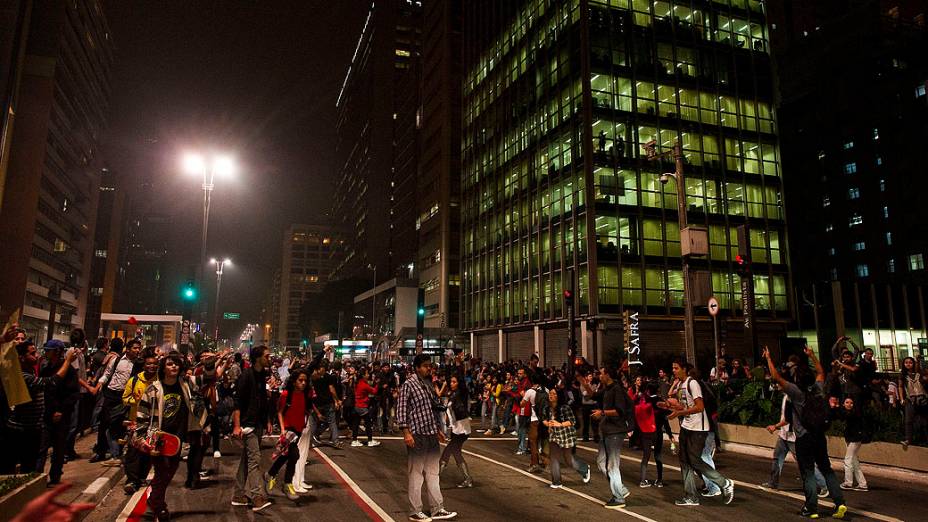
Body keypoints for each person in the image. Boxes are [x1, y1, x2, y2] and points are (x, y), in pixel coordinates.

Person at [763, 346, 847, 519]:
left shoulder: (796, 392)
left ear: (797, 379)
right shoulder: (818, 388)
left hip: (803, 437)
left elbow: (776, 377)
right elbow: (821, 371)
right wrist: (812, 356)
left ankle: (812, 508)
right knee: (827, 469)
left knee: (807, 472)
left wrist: (769, 358)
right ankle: (840, 504)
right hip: (819, 436)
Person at [133, 352, 199, 521]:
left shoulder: (186, 385)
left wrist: (202, 426)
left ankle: (156, 503)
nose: (174, 367)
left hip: (177, 438)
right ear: (163, 368)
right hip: (159, 437)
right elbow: (142, 413)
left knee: (171, 470)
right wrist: (140, 437)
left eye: (177, 364)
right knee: (162, 471)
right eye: (170, 364)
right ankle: (156, 506)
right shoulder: (153, 389)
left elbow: (207, 380)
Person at [661, 359, 734, 507]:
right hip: (687, 427)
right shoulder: (681, 385)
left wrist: (678, 413)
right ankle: (690, 496)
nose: (673, 371)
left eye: (676, 368)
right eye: (672, 368)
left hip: (698, 429)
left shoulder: (692, 383)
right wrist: (672, 408)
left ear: (684, 369)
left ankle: (724, 483)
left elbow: (699, 407)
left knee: (694, 460)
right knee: (684, 462)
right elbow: (685, 406)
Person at [0, 340, 74, 475]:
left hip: (32, 428)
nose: (38, 355)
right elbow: (51, 382)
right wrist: (68, 361)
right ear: (21, 358)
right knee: (14, 471)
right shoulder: (22, 375)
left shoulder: (32, 371)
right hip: (20, 430)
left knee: (30, 466)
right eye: (32, 353)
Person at [397, 354, 457, 521]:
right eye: (424, 366)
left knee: (433, 472)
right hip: (416, 434)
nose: (428, 368)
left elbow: (429, 409)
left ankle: (437, 508)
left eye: (429, 365)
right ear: (416, 367)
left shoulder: (427, 384)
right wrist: (406, 432)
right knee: (416, 474)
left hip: (430, 434)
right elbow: (401, 410)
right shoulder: (409, 384)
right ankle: (415, 510)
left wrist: (437, 429)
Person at [761, 385, 827, 496]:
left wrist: (774, 426)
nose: (777, 385)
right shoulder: (786, 397)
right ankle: (773, 483)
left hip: (794, 437)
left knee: (805, 462)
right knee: (777, 458)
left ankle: (824, 485)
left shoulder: (793, 398)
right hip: (784, 435)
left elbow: (788, 420)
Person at [231, 345, 272, 512]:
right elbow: (238, 403)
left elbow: (262, 401)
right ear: (258, 358)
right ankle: (256, 497)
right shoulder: (246, 376)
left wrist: (267, 420)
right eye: (267, 356)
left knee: (246, 461)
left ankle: (239, 495)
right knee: (255, 459)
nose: (269, 359)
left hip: (258, 423)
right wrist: (236, 426)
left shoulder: (262, 375)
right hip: (248, 425)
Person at [265, 369, 315, 501]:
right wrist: (282, 429)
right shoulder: (286, 394)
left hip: (298, 430)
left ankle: (270, 474)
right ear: (294, 381)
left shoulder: (306, 395)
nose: (303, 383)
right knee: (294, 455)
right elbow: (280, 412)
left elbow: (307, 409)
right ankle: (287, 484)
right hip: (288, 429)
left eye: (305, 380)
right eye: (300, 380)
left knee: (287, 455)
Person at [37, 340, 81, 485]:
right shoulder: (46, 368)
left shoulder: (69, 370)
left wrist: (61, 411)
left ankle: (55, 476)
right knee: (42, 448)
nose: (45, 353)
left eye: (48, 350)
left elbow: (73, 394)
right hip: (46, 414)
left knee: (59, 447)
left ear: (57, 351)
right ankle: (37, 477)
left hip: (62, 416)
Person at [591, 366, 634, 509]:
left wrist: (602, 413)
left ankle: (619, 498)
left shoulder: (616, 389)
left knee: (612, 466)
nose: (599, 376)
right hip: (607, 431)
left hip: (615, 432)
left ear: (608, 375)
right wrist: (582, 380)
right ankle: (621, 489)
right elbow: (592, 395)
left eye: (601, 374)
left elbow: (619, 411)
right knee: (601, 462)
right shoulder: (607, 389)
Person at [93, 338, 141, 463]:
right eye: (135, 348)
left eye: (138, 348)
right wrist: (98, 385)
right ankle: (101, 451)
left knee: (120, 425)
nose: (137, 350)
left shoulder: (138, 364)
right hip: (110, 394)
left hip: (124, 397)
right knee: (104, 423)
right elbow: (107, 373)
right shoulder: (117, 360)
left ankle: (117, 452)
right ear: (128, 349)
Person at [122, 349, 159, 494]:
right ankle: (132, 480)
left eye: (155, 364)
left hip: (153, 423)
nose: (152, 366)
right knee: (133, 451)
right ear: (144, 365)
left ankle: (142, 476)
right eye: (149, 364)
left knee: (148, 452)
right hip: (135, 420)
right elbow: (125, 398)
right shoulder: (135, 380)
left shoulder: (159, 381)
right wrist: (136, 401)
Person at [543, 387, 591, 488]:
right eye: (550, 393)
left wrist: (559, 424)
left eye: (554, 394)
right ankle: (556, 481)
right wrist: (547, 423)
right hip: (554, 436)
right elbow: (543, 418)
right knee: (554, 457)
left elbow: (572, 421)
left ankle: (584, 468)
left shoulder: (564, 407)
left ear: (559, 396)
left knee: (569, 460)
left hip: (566, 436)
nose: (551, 395)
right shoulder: (547, 408)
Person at [439, 354, 473, 488]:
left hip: (462, 429)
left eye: (454, 382)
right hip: (456, 429)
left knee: (447, 453)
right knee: (456, 452)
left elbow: (462, 381)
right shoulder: (452, 394)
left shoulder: (462, 392)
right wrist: (447, 363)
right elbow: (447, 379)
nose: (452, 384)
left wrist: (458, 364)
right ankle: (468, 479)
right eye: (451, 382)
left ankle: (435, 479)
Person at [634, 381, 672, 487]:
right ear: (658, 390)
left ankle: (642, 480)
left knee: (645, 456)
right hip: (657, 432)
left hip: (645, 431)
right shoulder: (659, 401)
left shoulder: (644, 400)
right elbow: (665, 418)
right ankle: (659, 480)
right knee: (658, 456)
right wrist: (670, 434)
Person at [834, 396, 869, 492]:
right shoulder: (849, 412)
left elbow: (844, 416)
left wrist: (837, 407)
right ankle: (862, 484)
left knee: (848, 460)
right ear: (843, 404)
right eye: (847, 402)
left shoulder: (854, 413)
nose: (849, 404)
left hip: (855, 439)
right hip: (852, 439)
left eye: (851, 403)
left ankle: (848, 483)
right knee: (854, 461)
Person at [898, 356, 927, 449]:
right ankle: (908, 439)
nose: (908, 364)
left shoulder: (919, 374)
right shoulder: (903, 375)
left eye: (910, 362)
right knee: (908, 420)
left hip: (922, 399)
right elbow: (900, 387)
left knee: (925, 420)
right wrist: (901, 398)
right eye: (906, 362)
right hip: (910, 399)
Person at [350, 367, 380, 447]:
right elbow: (374, 391)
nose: (368, 374)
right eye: (367, 373)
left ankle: (354, 440)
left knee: (356, 423)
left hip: (356, 405)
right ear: (363, 375)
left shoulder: (358, 382)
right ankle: (370, 441)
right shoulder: (363, 384)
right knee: (368, 423)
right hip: (362, 406)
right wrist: (377, 384)